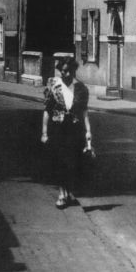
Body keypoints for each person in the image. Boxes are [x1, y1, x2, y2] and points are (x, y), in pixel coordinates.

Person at [41, 58, 93, 208]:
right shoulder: (54, 86)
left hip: (75, 131)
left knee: (72, 163)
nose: (66, 73)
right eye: (63, 70)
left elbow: (84, 112)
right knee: (61, 162)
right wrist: (44, 133)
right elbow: (47, 111)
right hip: (58, 129)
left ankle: (68, 192)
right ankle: (62, 194)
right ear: (59, 70)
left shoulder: (81, 89)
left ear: (74, 70)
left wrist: (88, 131)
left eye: (69, 70)